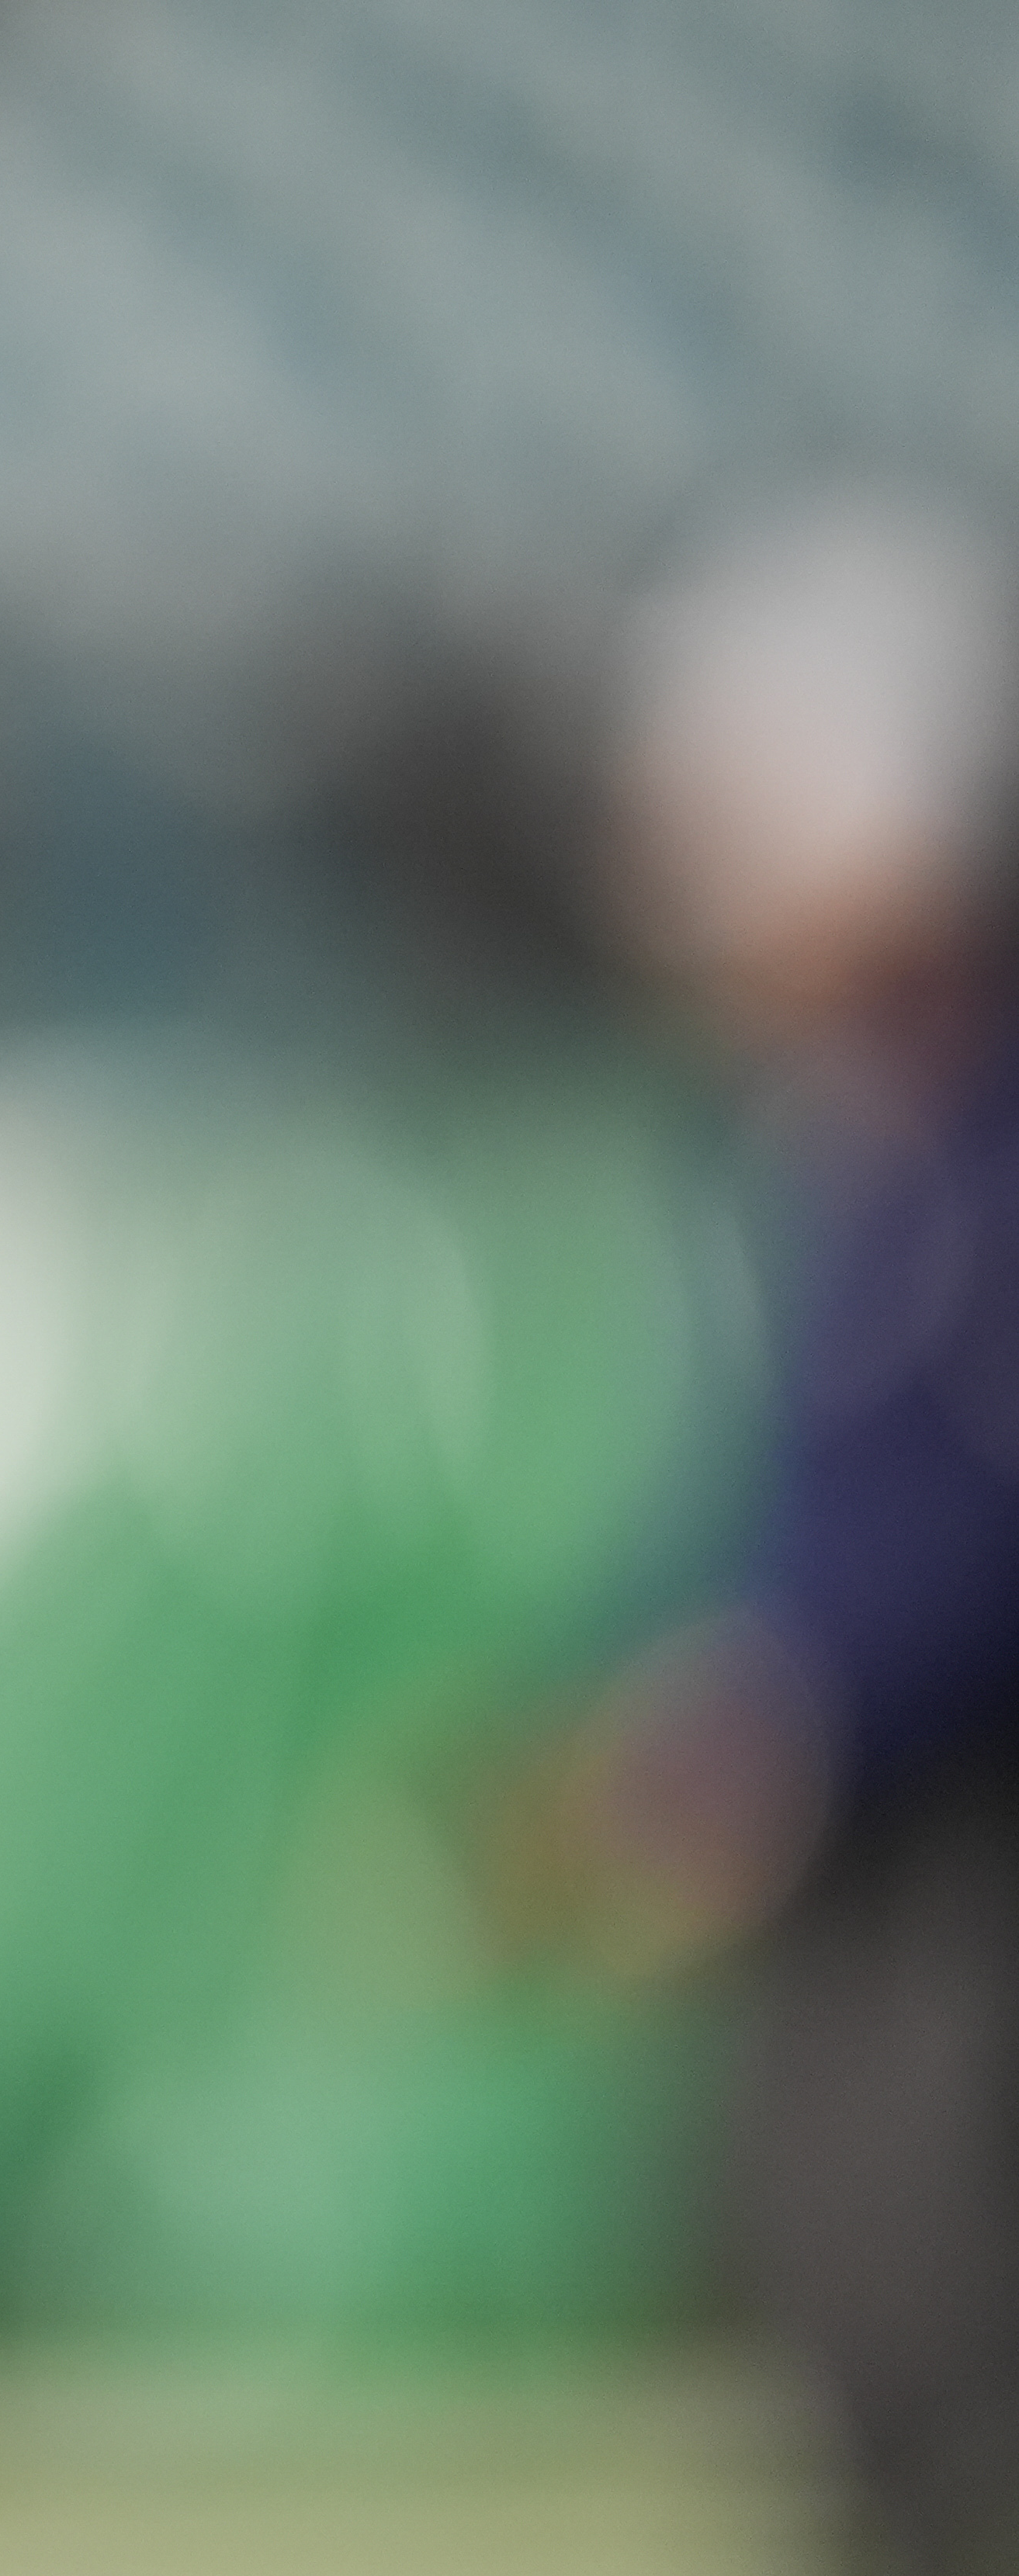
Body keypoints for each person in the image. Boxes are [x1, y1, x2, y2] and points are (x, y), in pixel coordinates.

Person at [589, 493, 1019, 2574]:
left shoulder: (966, 1137)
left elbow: (945, 1516)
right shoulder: (835, 1142)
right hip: (863, 1880)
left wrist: (797, 1703)